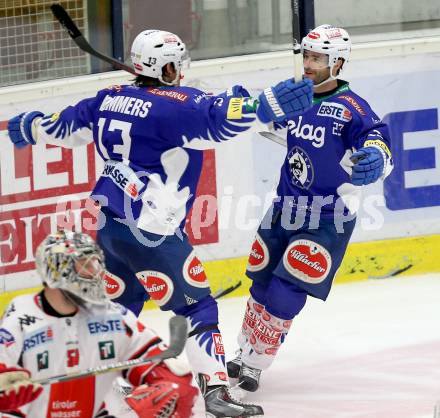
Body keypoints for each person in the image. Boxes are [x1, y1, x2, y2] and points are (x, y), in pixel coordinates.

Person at [6, 29, 313, 416]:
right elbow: (221, 121)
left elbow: (63, 126)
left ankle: (89, 381)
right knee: (197, 307)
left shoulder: (108, 98)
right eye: (176, 63)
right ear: (167, 66)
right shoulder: (178, 104)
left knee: (119, 305)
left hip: (107, 223)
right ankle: (216, 390)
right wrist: (263, 105)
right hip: (151, 229)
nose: (181, 70)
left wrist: (31, 124)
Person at [226, 24, 394, 392]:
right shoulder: (297, 99)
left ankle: (256, 363)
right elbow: (265, 122)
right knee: (261, 282)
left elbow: (379, 141)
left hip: (327, 218)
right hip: (284, 207)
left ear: (338, 63)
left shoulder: (354, 109)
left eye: (318, 58)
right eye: (306, 55)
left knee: (286, 292)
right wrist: (240, 106)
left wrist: (377, 160)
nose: (308, 64)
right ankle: (244, 352)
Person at [0, 230, 198, 417]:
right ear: (58, 270)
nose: (95, 273)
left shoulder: (112, 317)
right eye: (85, 265)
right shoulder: (21, 318)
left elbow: (175, 378)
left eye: (95, 264)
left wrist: (165, 385)